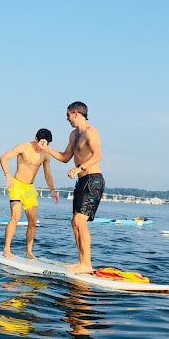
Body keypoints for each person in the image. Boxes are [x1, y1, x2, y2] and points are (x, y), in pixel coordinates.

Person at [38, 101, 104, 274]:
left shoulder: (92, 133)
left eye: (68, 115)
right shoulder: (74, 135)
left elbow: (98, 156)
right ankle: (81, 261)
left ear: (76, 113)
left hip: (93, 180)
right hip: (82, 181)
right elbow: (65, 157)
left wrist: (79, 168)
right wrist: (47, 149)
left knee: (79, 221)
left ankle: (87, 264)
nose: (66, 118)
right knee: (74, 223)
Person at [0, 128, 59, 259]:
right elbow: (3, 158)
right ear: (36, 138)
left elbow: (47, 174)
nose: (42, 147)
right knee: (16, 216)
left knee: (32, 221)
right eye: (41, 143)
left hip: (29, 189)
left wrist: (52, 190)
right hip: (16, 185)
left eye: (46, 144)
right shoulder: (24, 147)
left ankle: (28, 251)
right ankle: (6, 249)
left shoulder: (45, 154)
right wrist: (8, 175)